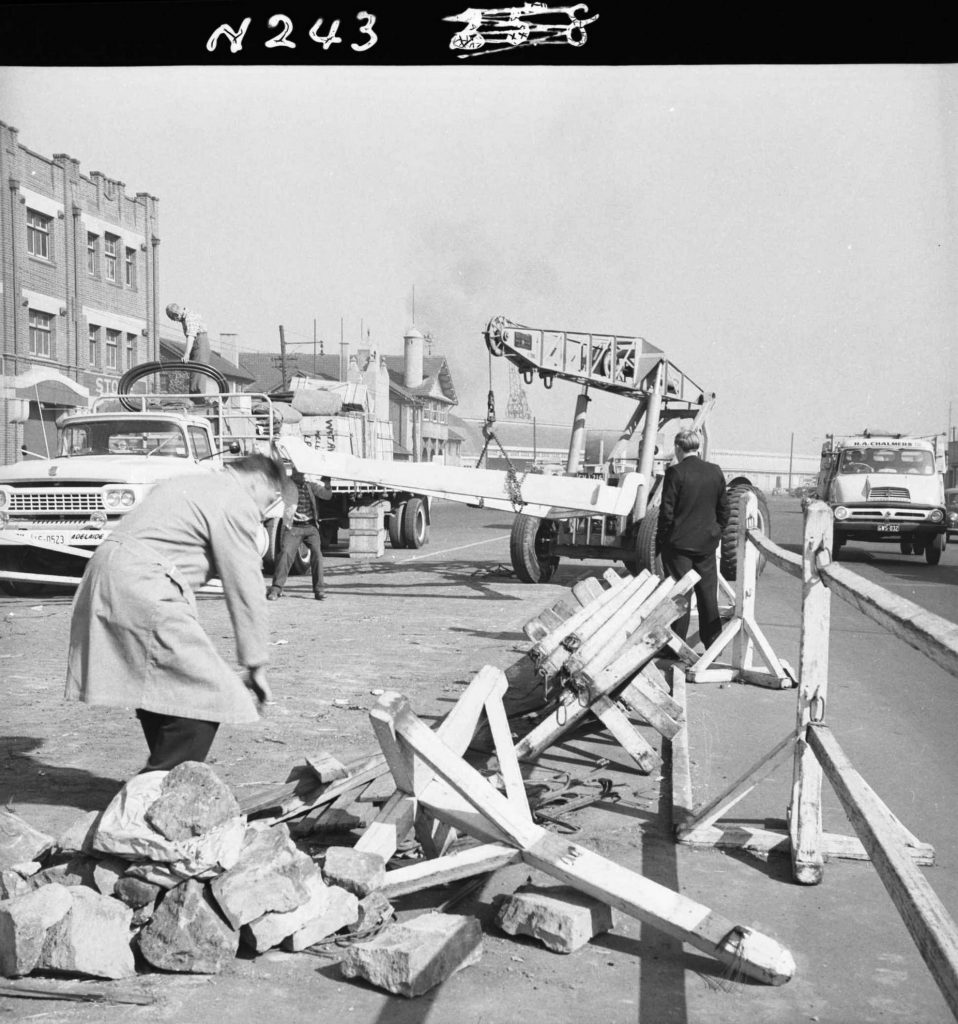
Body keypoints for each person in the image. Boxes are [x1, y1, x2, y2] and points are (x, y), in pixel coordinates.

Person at [65, 453, 288, 773]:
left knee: (160, 687)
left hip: (105, 576)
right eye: (267, 500)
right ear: (257, 482)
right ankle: (156, 788)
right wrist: (256, 663)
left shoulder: (189, 481)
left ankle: (162, 778)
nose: (262, 511)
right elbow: (246, 583)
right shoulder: (234, 497)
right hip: (143, 584)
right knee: (210, 694)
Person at [655, 428, 730, 650]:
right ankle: (713, 645)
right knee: (708, 596)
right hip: (706, 545)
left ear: (678, 447)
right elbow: (724, 510)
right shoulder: (715, 471)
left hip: (678, 546)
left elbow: (666, 512)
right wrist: (716, 532)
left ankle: (677, 647)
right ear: (696, 448)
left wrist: (661, 541)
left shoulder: (675, 473)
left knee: (680, 597)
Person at [267, 470, 334, 601]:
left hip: (310, 527)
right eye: (297, 474)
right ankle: (276, 589)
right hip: (294, 527)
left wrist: (327, 484)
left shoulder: (310, 485)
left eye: (302, 474)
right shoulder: (287, 484)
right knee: (286, 554)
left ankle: (319, 590)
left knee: (317, 555)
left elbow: (326, 495)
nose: (300, 476)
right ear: (293, 473)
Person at [165, 302, 211, 394]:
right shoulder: (186, 317)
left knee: (198, 374)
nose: (175, 321)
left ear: (176, 314)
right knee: (194, 373)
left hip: (200, 343)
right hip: (197, 344)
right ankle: (195, 397)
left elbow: (191, 336)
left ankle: (198, 400)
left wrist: (186, 354)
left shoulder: (189, 318)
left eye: (173, 318)